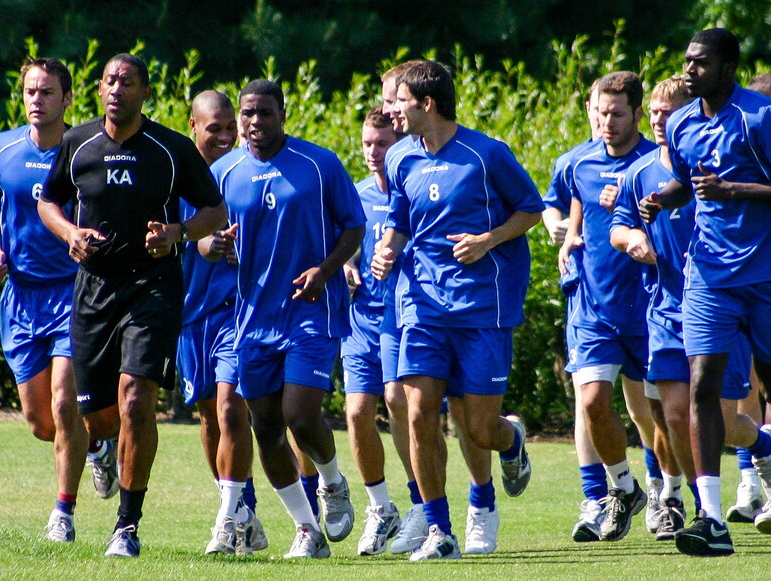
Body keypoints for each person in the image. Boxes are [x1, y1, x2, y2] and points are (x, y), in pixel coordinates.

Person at [38, 53, 228, 557]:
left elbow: (215, 209)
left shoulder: (171, 149)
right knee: (99, 419)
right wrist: (69, 233)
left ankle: (127, 525)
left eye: (127, 82)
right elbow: (48, 202)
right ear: (99, 89)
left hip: (153, 286)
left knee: (136, 398)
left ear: (146, 92)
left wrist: (179, 233)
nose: (116, 89)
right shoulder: (76, 144)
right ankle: (101, 449)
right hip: (93, 291)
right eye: (109, 81)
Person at [640, 29, 771, 556]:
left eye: (701, 63)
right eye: (688, 61)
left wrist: (732, 189)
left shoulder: (760, 117)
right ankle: (711, 517)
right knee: (702, 385)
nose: (690, 70)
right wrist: (662, 199)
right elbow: (689, 183)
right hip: (709, 274)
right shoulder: (681, 122)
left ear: (727, 66)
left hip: (767, 273)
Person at [371, 60, 538, 561]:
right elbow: (399, 220)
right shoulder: (399, 158)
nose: (390, 110)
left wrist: (488, 240)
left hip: (481, 310)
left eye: (398, 101)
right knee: (419, 412)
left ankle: (511, 443)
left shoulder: (487, 155)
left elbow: (530, 208)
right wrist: (389, 247)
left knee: (479, 428)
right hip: (420, 307)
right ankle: (439, 532)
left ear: (427, 104)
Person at [610, 75, 771, 542]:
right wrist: (635, 240)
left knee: (722, 422)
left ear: (691, 116)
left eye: (672, 111)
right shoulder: (637, 173)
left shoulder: (717, 168)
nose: (662, 120)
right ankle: (700, 509)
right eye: (657, 113)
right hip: (665, 309)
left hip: (718, 301)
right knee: (674, 413)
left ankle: (764, 443)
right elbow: (617, 228)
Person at [210, 79, 364, 559]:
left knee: (299, 415)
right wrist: (210, 245)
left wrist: (324, 269)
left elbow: (353, 226)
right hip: (253, 320)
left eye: (265, 113)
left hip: (310, 311)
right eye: (248, 114)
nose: (256, 123)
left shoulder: (319, 165)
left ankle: (334, 482)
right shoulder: (224, 172)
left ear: (283, 114)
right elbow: (202, 234)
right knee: (266, 429)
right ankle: (306, 531)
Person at [0, 57, 90, 543]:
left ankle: (62, 513)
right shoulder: (0, 150)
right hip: (21, 299)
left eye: (47, 92)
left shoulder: (86, 151)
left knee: (65, 404)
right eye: (30, 92)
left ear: (67, 98)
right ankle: (95, 448)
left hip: (73, 294)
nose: (36, 101)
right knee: (42, 423)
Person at [556, 71, 657, 542]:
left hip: (652, 308)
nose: (606, 123)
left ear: (638, 113)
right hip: (594, 307)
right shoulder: (578, 162)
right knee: (592, 401)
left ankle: (665, 493)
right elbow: (559, 202)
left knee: (655, 414)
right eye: (599, 114)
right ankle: (617, 489)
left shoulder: (657, 163)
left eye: (617, 114)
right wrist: (564, 231)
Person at [175, 89, 267, 555]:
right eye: (216, 128)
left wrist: (221, 245)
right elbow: (187, 239)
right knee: (209, 416)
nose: (227, 136)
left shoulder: (245, 173)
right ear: (194, 126)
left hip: (237, 311)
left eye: (232, 127)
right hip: (191, 315)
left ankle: (231, 517)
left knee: (233, 409)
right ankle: (243, 513)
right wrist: (207, 242)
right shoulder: (176, 174)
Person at [341, 107, 404, 556]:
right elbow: (344, 243)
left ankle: (426, 506)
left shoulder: (413, 192)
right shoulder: (356, 195)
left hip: (403, 319)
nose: (372, 152)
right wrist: (346, 263)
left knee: (403, 407)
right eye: (366, 143)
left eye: (381, 144)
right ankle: (380, 509)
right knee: (358, 412)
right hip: (360, 322)